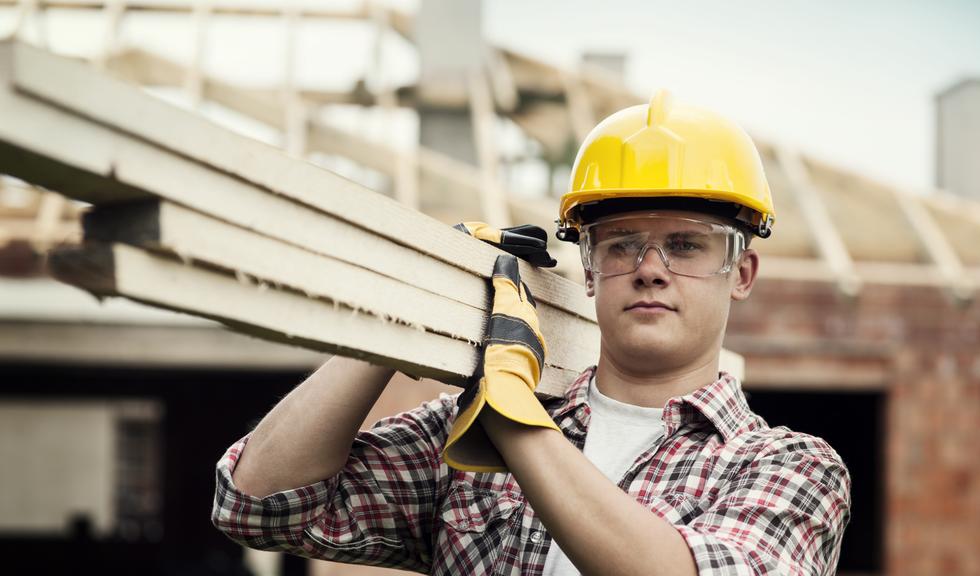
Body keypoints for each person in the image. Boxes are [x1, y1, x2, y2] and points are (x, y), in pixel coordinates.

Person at [212, 90, 851, 575]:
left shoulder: (790, 468)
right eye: (622, 244)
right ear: (591, 270)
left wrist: (511, 419)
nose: (650, 269)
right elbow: (256, 502)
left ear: (741, 272)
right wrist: (405, 318)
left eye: (685, 244)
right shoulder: (460, 440)